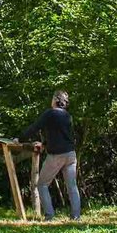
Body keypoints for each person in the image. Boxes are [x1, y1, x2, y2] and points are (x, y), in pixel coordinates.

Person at [17, 90, 81, 220]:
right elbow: (63, 136)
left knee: (42, 184)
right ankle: (76, 217)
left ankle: (49, 215)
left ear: (56, 100)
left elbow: (35, 127)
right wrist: (45, 144)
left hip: (57, 155)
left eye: (52, 98)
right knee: (72, 186)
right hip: (70, 154)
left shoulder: (50, 114)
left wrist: (19, 139)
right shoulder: (68, 116)